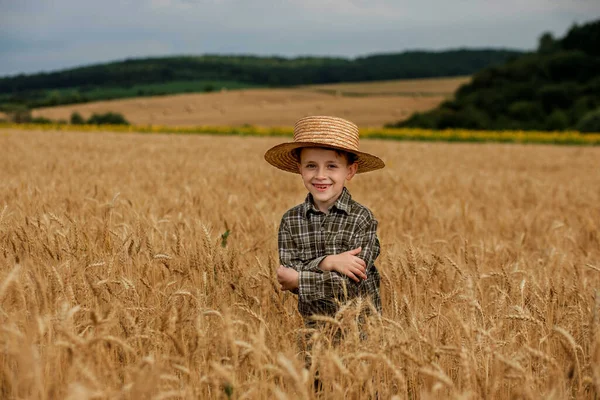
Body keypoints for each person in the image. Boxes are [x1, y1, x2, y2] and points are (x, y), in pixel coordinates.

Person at [264, 115, 385, 336]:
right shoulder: (290, 221)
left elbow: (352, 283)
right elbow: (287, 277)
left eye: (331, 166)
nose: (321, 176)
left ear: (350, 171)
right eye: (311, 166)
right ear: (299, 168)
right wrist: (328, 263)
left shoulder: (362, 219)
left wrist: (302, 277)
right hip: (313, 333)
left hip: (362, 335)